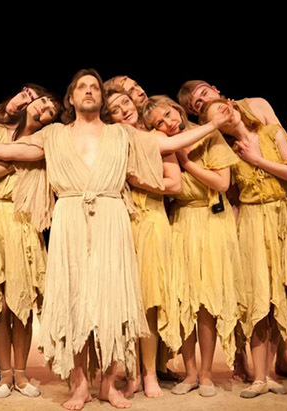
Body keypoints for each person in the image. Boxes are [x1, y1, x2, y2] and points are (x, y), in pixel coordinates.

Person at [0, 68, 230, 409]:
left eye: (95, 87)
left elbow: (166, 143)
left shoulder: (121, 133)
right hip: (70, 218)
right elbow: (9, 151)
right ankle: (78, 385)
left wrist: (212, 125)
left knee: (113, 300)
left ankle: (108, 384)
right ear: (72, 97)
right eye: (82, 87)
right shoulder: (53, 135)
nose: (90, 91)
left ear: (101, 97)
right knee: (73, 301)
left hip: (111, 215)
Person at [179, 80, 287, 383]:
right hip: (247, 216)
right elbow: (231, 192)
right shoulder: (218, 143)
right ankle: (242, 358)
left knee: (279, 287)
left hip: (279, 210)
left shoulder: (259, 110)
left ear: (216, 90)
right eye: (198, 106)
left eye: (204, 94)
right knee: (251, 289)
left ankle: (281, 359)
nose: (204, 102)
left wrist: (258, 159)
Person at [143, 96, 242, 397]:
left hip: (211, 221)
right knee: (182, 298)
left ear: (178, 108)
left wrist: (186, 162)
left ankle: (207, 374)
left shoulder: (208, 138)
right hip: (181, 221)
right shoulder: (163, 146)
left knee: (206, 303)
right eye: (159, 123)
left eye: (168, 114)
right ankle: (190, 372)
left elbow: (222, 184)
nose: (168, 123)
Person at [0, 94, 61, 399]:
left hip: (21, 218)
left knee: (21, 299)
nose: (43, 108)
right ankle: (4, 374)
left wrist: (6, 160)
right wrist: (17, 160)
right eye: (42, 101)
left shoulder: (43, 142)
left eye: (50, 111)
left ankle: (20, 373)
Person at [106, 88, 182, 398]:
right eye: (114, 109)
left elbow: (174, 183)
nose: (123, 109)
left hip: (151, 219)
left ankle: (150, 373)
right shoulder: (111, 142)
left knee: (149, 301)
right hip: (120, 221)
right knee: (125, 303)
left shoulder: (156, 138)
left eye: (125, 102)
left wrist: (138, 180)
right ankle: (131, 373)